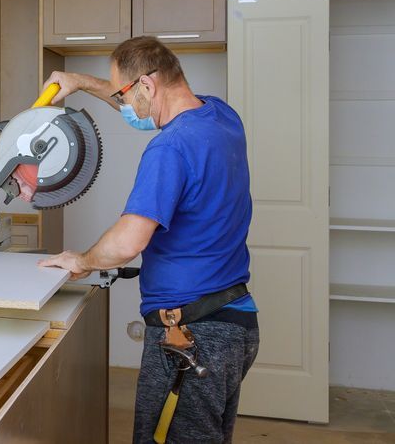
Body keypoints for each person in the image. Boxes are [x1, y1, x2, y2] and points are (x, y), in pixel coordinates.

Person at [34, 36, 259, 444]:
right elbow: (132, 101)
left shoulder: (168, 149)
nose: (124, 106)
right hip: (236, 323)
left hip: (190, 336)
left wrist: (81, 260)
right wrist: (82, 82)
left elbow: (127, 242)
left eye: (125, 93)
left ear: (148, 87)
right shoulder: (222, 117)